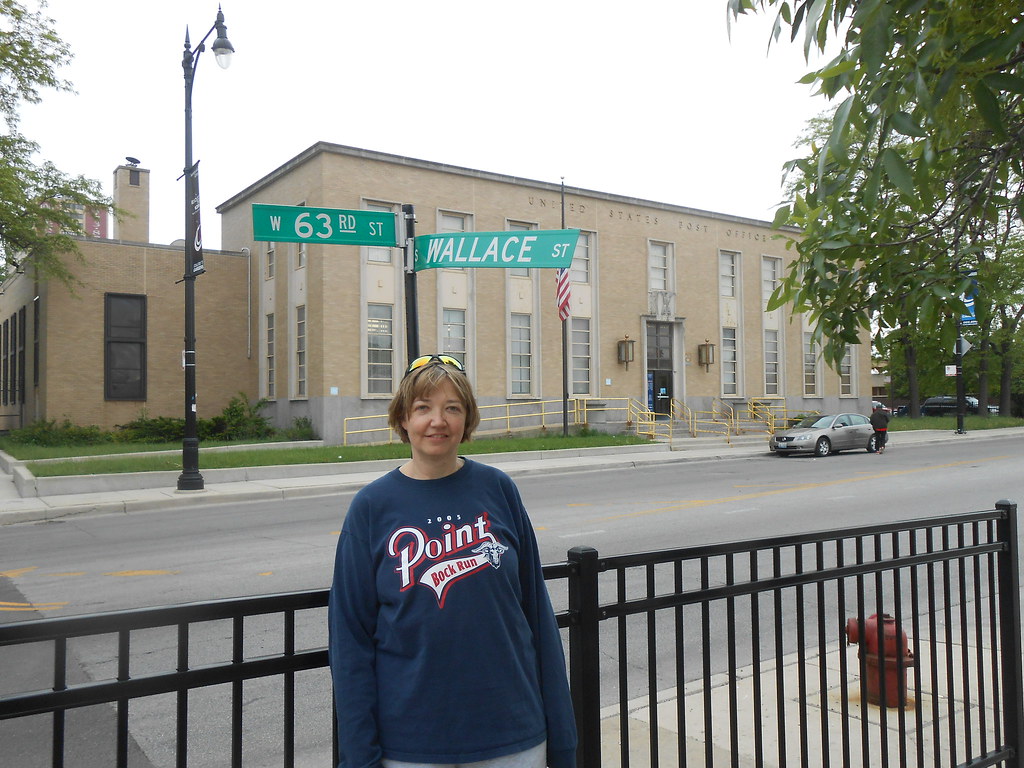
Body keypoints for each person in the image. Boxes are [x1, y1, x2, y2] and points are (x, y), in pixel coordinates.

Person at [328, 354, 577, 768]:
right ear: (403, 418)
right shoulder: (371, 507)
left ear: (468, 419)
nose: (437, 421)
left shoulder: (499, 490)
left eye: (452, 408)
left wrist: (563, 740)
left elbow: (537, 617)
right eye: (423, 408)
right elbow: (350, 642)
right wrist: (359, 757)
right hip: (409, 746)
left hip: (513, 737)